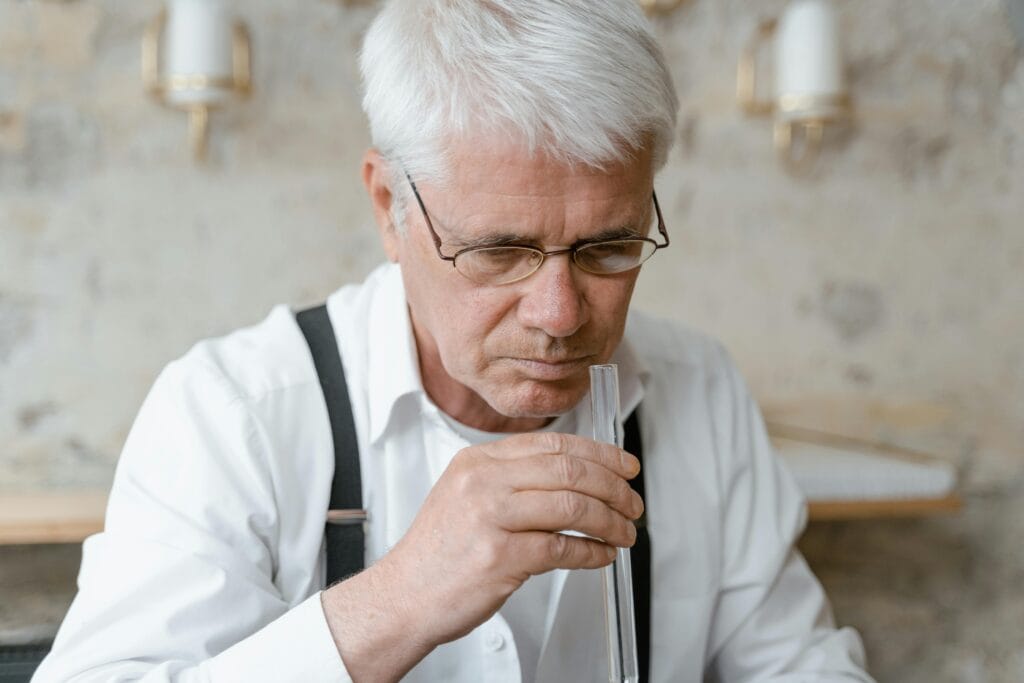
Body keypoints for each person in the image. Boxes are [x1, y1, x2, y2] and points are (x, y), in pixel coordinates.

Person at [35, 1, 874, 681]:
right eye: (498, 251)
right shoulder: (234, 414)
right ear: (387, 209)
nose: (558, 313)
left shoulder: (698, 389)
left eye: (607, 248)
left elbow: (800, 665)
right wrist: (399, 597)